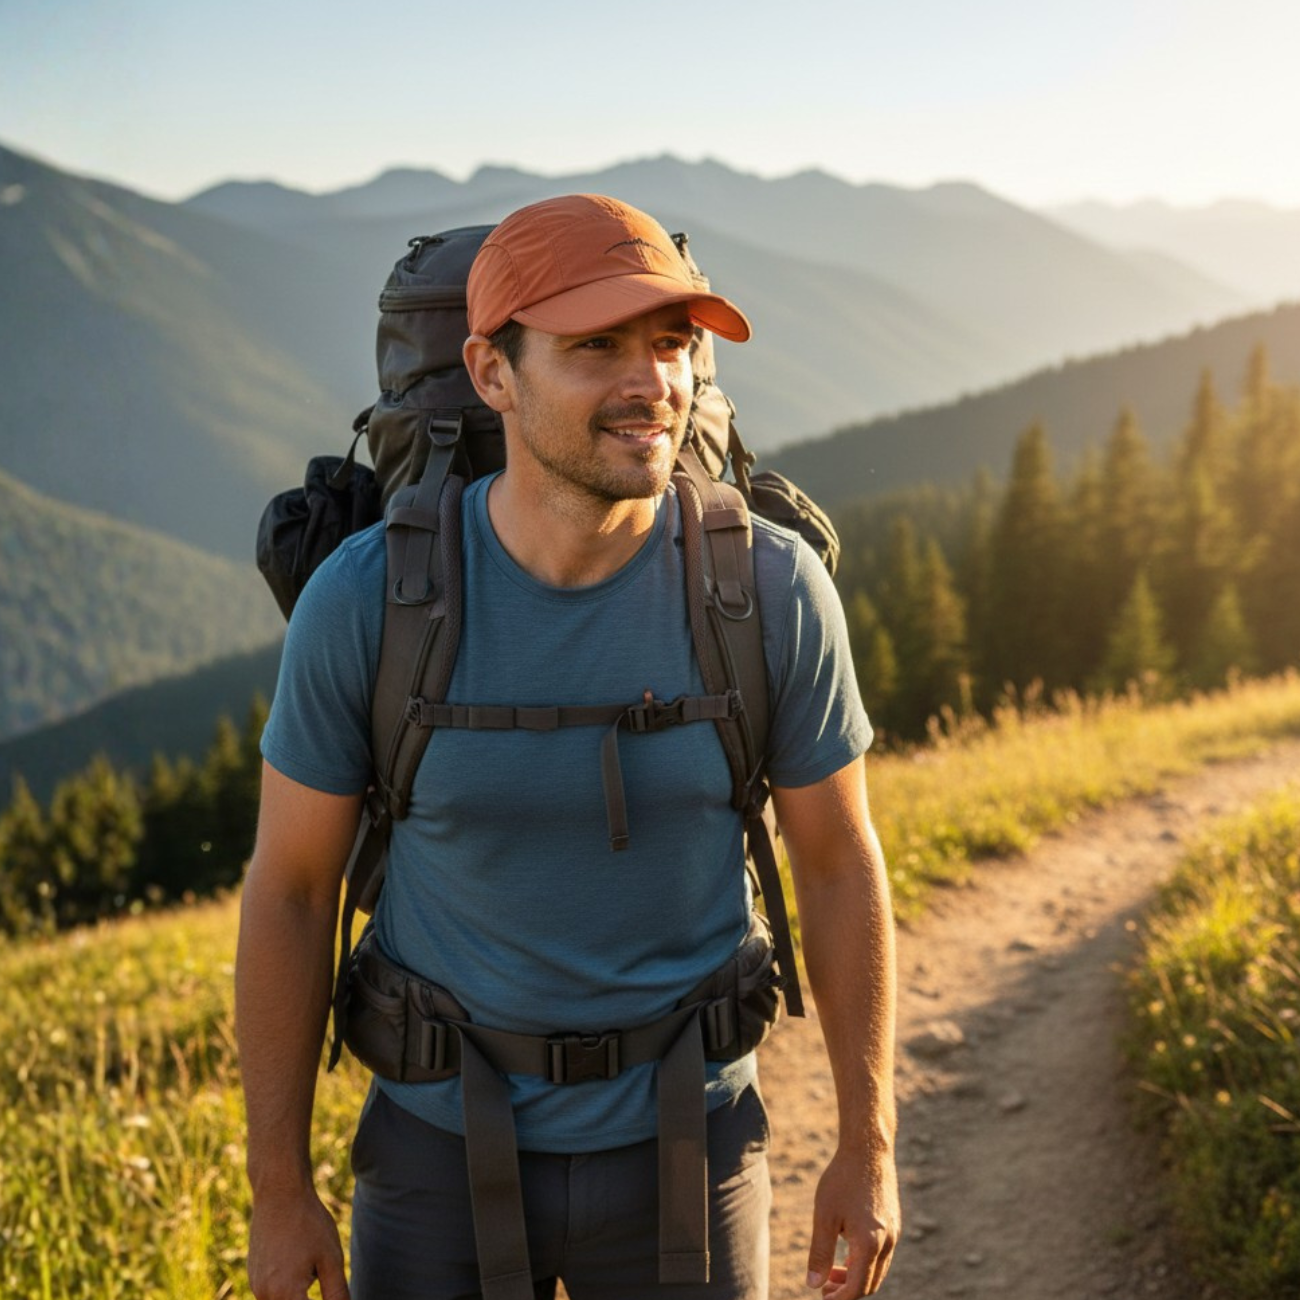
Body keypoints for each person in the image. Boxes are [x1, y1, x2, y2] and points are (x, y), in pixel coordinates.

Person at [235, 193, 899, 1300]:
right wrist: (278, 1190)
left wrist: (867, 1143)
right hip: (431, 1149)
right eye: (596, 346)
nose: (653, 383)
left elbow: (838, 859)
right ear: (492, 373)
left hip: (692, 1138)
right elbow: (292, 891)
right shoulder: (368, 602)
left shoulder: (768, 589)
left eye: (672, 342)